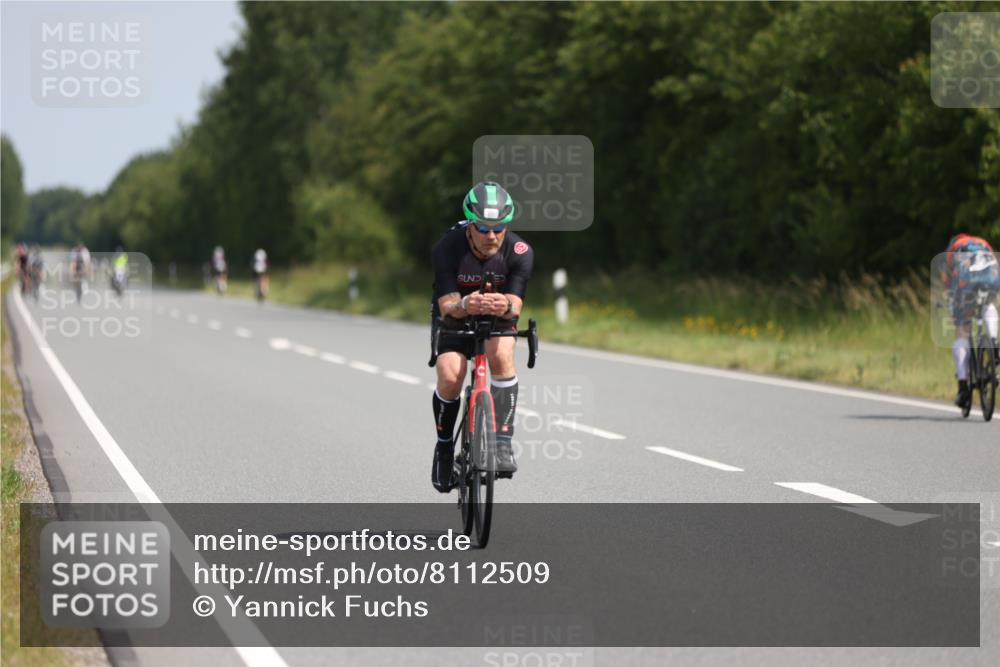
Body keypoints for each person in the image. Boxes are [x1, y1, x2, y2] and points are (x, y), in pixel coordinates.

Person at [429, 182, 534, 492]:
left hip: (495, 317)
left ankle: (502, 442)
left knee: (501, 354)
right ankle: (445, 448)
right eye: (483, 228)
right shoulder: (447, 247)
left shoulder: (520, 252)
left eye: (499, 227)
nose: (492, 235)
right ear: (469, 225)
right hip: (455, 313)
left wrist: (504, 304)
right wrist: (465, 303)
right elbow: (447, 305)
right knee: (451, 375)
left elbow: (516, 305)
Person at [941, 233, 1000, 406]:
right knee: (988, 303)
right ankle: (995, 345)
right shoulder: (983, 243)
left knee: (962, 330)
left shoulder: (953, 248)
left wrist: (951, 302)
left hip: (966, 279)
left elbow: (946, 280)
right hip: (992, 274)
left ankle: (963, 387)